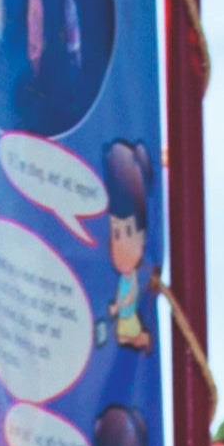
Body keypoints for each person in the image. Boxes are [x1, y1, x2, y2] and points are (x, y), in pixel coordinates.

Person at [99, 139, 155, 351]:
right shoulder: (124, 277)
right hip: (124, 316)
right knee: (121, 337)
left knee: (123, 337)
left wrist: (119, 307)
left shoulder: (132, 277)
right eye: (116, 233)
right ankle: (140, 338)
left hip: (128, 315)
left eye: (128, 232)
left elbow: (130, 295)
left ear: (142, 236)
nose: (120, 245)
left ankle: (142, 338)